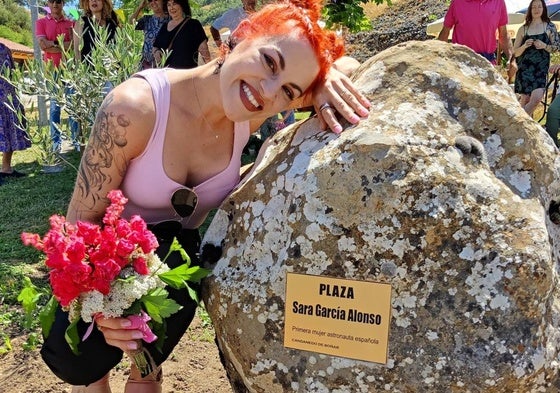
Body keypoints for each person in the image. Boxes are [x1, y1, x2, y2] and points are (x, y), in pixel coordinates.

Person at [39, 0, 371, 390]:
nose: (267, 91)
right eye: (268, 61)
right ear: (241, 34)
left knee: (146, 363)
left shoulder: (254, 108)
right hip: (103, 259)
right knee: (86, 365)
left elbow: (357, 70)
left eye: (289, 90)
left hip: (173, 259)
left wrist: (329, 76)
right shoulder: (136, 108)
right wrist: (100, 307)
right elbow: (80, 220)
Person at [35, 0, 78, 153]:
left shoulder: (71, 22)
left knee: (73, 105)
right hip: (52, 70)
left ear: (63, 3)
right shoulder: (41, 22)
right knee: (55, 107)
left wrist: (52, 44)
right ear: (48, 3)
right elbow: (43, 45)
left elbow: (74, 45)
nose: (55, 4)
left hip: (70, 69)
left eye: (58, 1)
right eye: (52, 1)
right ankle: (55, 143)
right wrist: (60, 45)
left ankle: (75, 141)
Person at [513, 0, 559, 116]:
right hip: (524, 70)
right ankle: (523, 131)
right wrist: (524, 46)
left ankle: (518, 120)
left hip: (540, 70)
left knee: (536, 99)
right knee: (525, 101)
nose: (536, 9)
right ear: (530, 10)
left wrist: (544, 46)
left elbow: (556, 47)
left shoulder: (549, 26)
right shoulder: (523, 29)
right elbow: (515, 53)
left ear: (544, 9)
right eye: (534, 7)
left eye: (539, 7)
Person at [437, 0, 513, 66]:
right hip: (460, 63)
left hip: (487, 64)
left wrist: (512, 59)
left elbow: (504, 35)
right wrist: (437, 58)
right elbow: (445, 33)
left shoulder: (498, 2)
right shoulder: (457, 2)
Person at [0, 43, 30, 181]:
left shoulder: (4, 49)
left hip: (7, 96)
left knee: (9, 128)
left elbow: (11, 72)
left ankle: (6, 168)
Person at [152, 0, 211, 69]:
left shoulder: (193, 24)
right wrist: (156, 52)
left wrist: (210, 68)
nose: (172, 8)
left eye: (174, 4)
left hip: (186, 74)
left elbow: (204, 49)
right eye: (169, 5)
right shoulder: (164, 27)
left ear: (182, 5)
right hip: (166, 75)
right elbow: (155, 46)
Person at [129, 0, 169, 70]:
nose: (153, 2)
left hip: (164, 65)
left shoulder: (171, 19)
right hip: (145, 65)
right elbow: (131, 24)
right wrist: (140, 7)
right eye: (150, 0)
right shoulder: (146, 19)